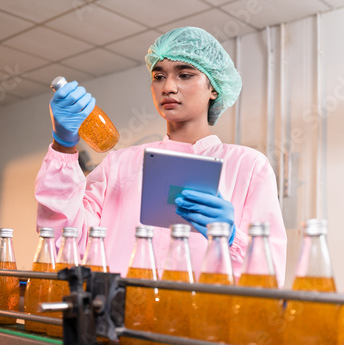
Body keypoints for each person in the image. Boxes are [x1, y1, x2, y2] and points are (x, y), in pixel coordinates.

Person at [35, 27, 287, 284]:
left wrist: (232, 238)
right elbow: (64, 238)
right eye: (158, 76)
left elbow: (269, 276)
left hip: (203, 318)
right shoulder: (120, 165)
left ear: (214, 87)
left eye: (185, 75)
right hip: (118, 316)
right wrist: (64, 145)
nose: (168, 87)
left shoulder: (247, 166)